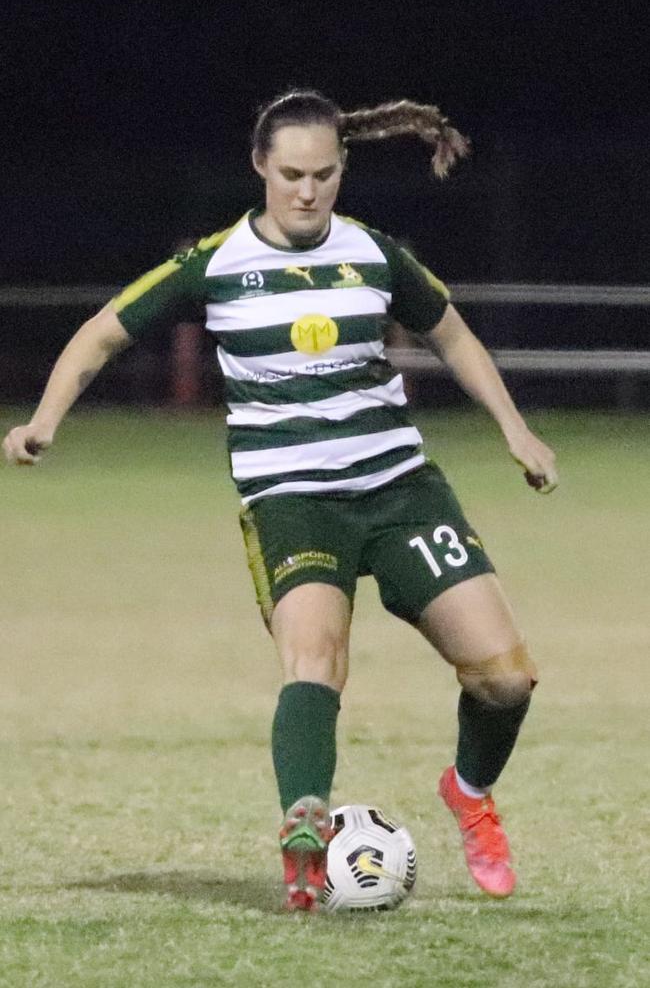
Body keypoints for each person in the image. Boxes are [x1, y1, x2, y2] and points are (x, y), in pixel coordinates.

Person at [3, 90, 558, 912]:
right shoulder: (215, 262)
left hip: (399, 486)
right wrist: (44, 421)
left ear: (343, 170)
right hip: (291, 498)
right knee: (314, 662)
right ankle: (305, 825)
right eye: (292, 174)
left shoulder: (371, 252)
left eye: (324, 174)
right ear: (260, 166)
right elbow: (102, 333)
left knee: (506, 680)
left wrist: (515, 430)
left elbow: (451, 331)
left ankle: (469, 792)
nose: (308, 191)